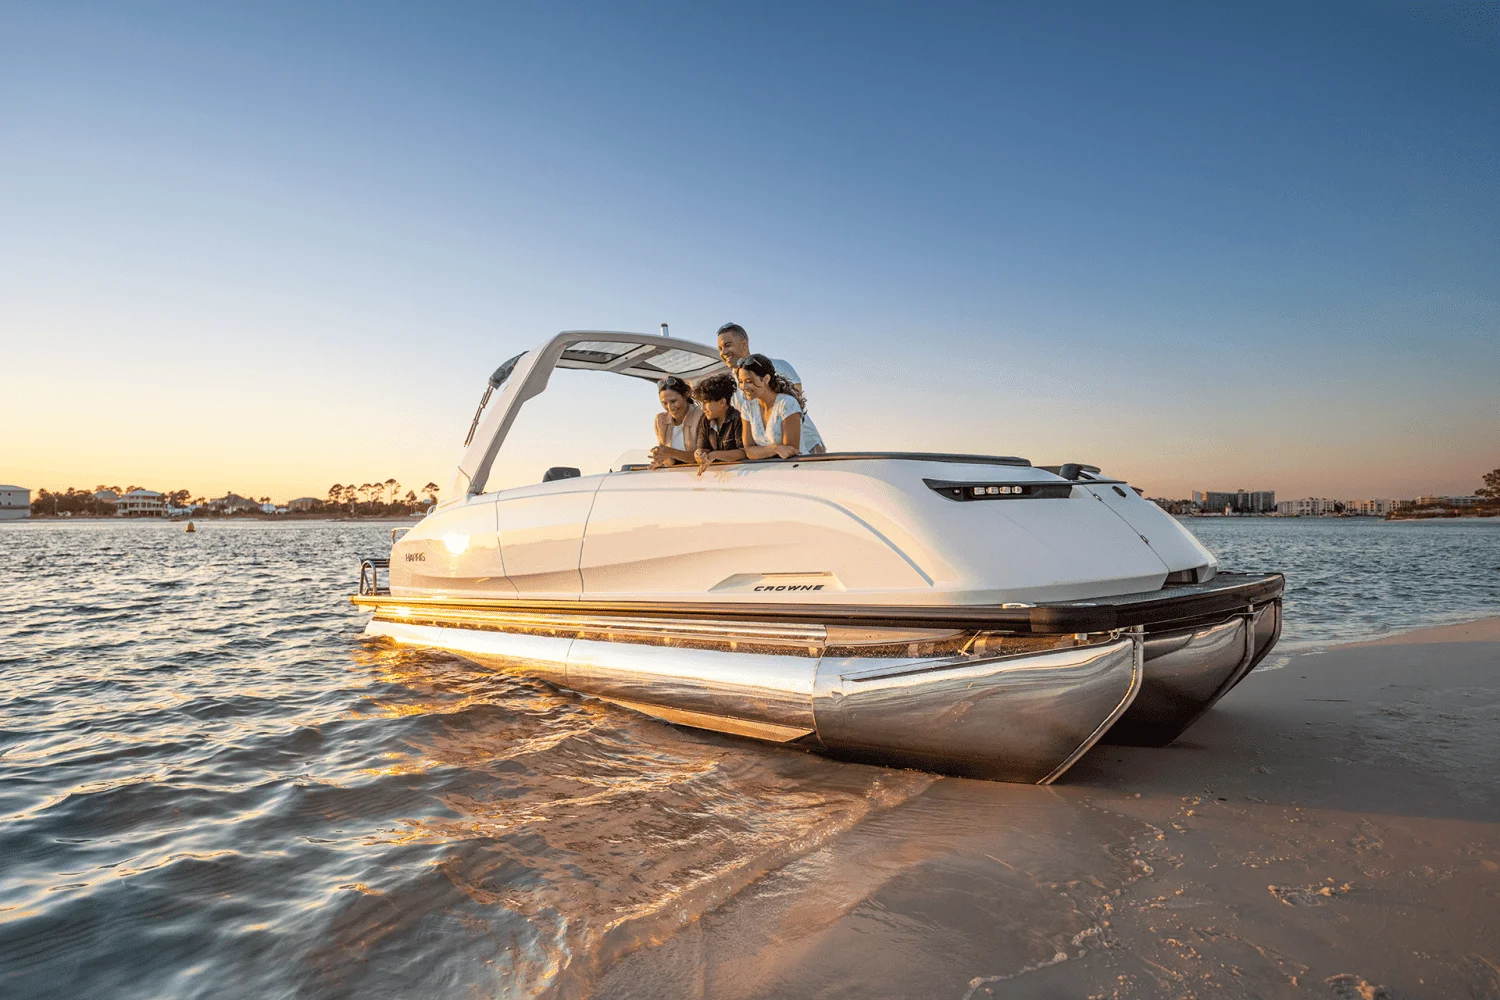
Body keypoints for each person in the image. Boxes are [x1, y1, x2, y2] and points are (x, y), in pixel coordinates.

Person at [714, 322, 825, 453]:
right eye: (720, 348)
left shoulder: (779, 366)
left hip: (806, 445)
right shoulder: (731, 386)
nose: (723, 352)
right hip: (768, 453)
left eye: (728, 345)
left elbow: (796, 401)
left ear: (744, 344)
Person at [734, 354, 817, 459]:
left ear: (766, 379)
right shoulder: (747, 407)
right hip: (770, 467)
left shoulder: (787, 403)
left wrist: (760, 451)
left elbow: (790, 451)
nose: (743, 387)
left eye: (749, 381)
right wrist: (776, 449)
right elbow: (749, 451)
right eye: (741, 382)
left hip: (796, 466)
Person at [689, 372, 745, 473]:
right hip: (718, 475)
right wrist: (699, 453)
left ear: (722, 402)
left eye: (706, 402)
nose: (702, 408)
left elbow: (743, 453)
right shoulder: (705, 420)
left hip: (740, 473)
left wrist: (714, 455)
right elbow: (704, 448)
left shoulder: (738, 419)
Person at [649, 376, 702, 468]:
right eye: (664, 403)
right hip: (676, 474)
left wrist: (670, 452)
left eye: (673, 401)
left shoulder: (701, 415)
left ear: (686, 395)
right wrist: (661, 459)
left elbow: (703, 455)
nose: (670, 407)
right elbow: (669, 460)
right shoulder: (660, 420)